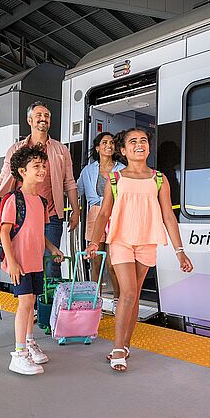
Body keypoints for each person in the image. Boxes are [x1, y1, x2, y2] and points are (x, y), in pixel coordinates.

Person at [86, 128, 194, 372]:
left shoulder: (159, 179)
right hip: (120, 240)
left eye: (143, 141)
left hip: (147, 241)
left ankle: (125, 345)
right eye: (132, 141)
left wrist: (180, 251)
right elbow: (104, 213)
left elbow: (168, 215)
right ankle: (117, 347)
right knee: (128, 292)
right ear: (123, 150)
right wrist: (94, 242)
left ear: (148, 147)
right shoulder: (115, 179)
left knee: (133, 296)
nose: (139, 144)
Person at [0, 101, 79, 277]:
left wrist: (75, 211)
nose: (43, 119)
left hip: (51, 215)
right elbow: (2, 178)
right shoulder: (16, 149)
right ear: (29, 120)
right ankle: (28, 302)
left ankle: (50, 305)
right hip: (22, 217)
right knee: (24, 262)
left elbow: (69, 182)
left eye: (47, 116)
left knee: (51, 263)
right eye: (39, 115)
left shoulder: (61, 150)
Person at [0, 145, 65, 375]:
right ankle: (18, 355)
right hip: (20, 262)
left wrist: (53, 248)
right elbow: (4, 232)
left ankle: (28, 342)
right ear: (22, 171)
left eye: (44, 166)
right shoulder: (14, 200)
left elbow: (39, 233)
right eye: (36, 166)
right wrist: (12, 262)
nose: (42, 170)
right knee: (25, 304)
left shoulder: (41, 201)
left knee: (31, 304)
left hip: (35, 261)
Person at [77, 132, 124, 311]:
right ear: (97, 148)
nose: (109, 146)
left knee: (113, 264)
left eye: (111, 143)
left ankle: (118, 303)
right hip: (95, 214)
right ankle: (95, 302)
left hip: (115, 214)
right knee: (96, 261)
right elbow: (77, 189)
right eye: (104, 143)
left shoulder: (121, 169)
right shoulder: (88, 170)